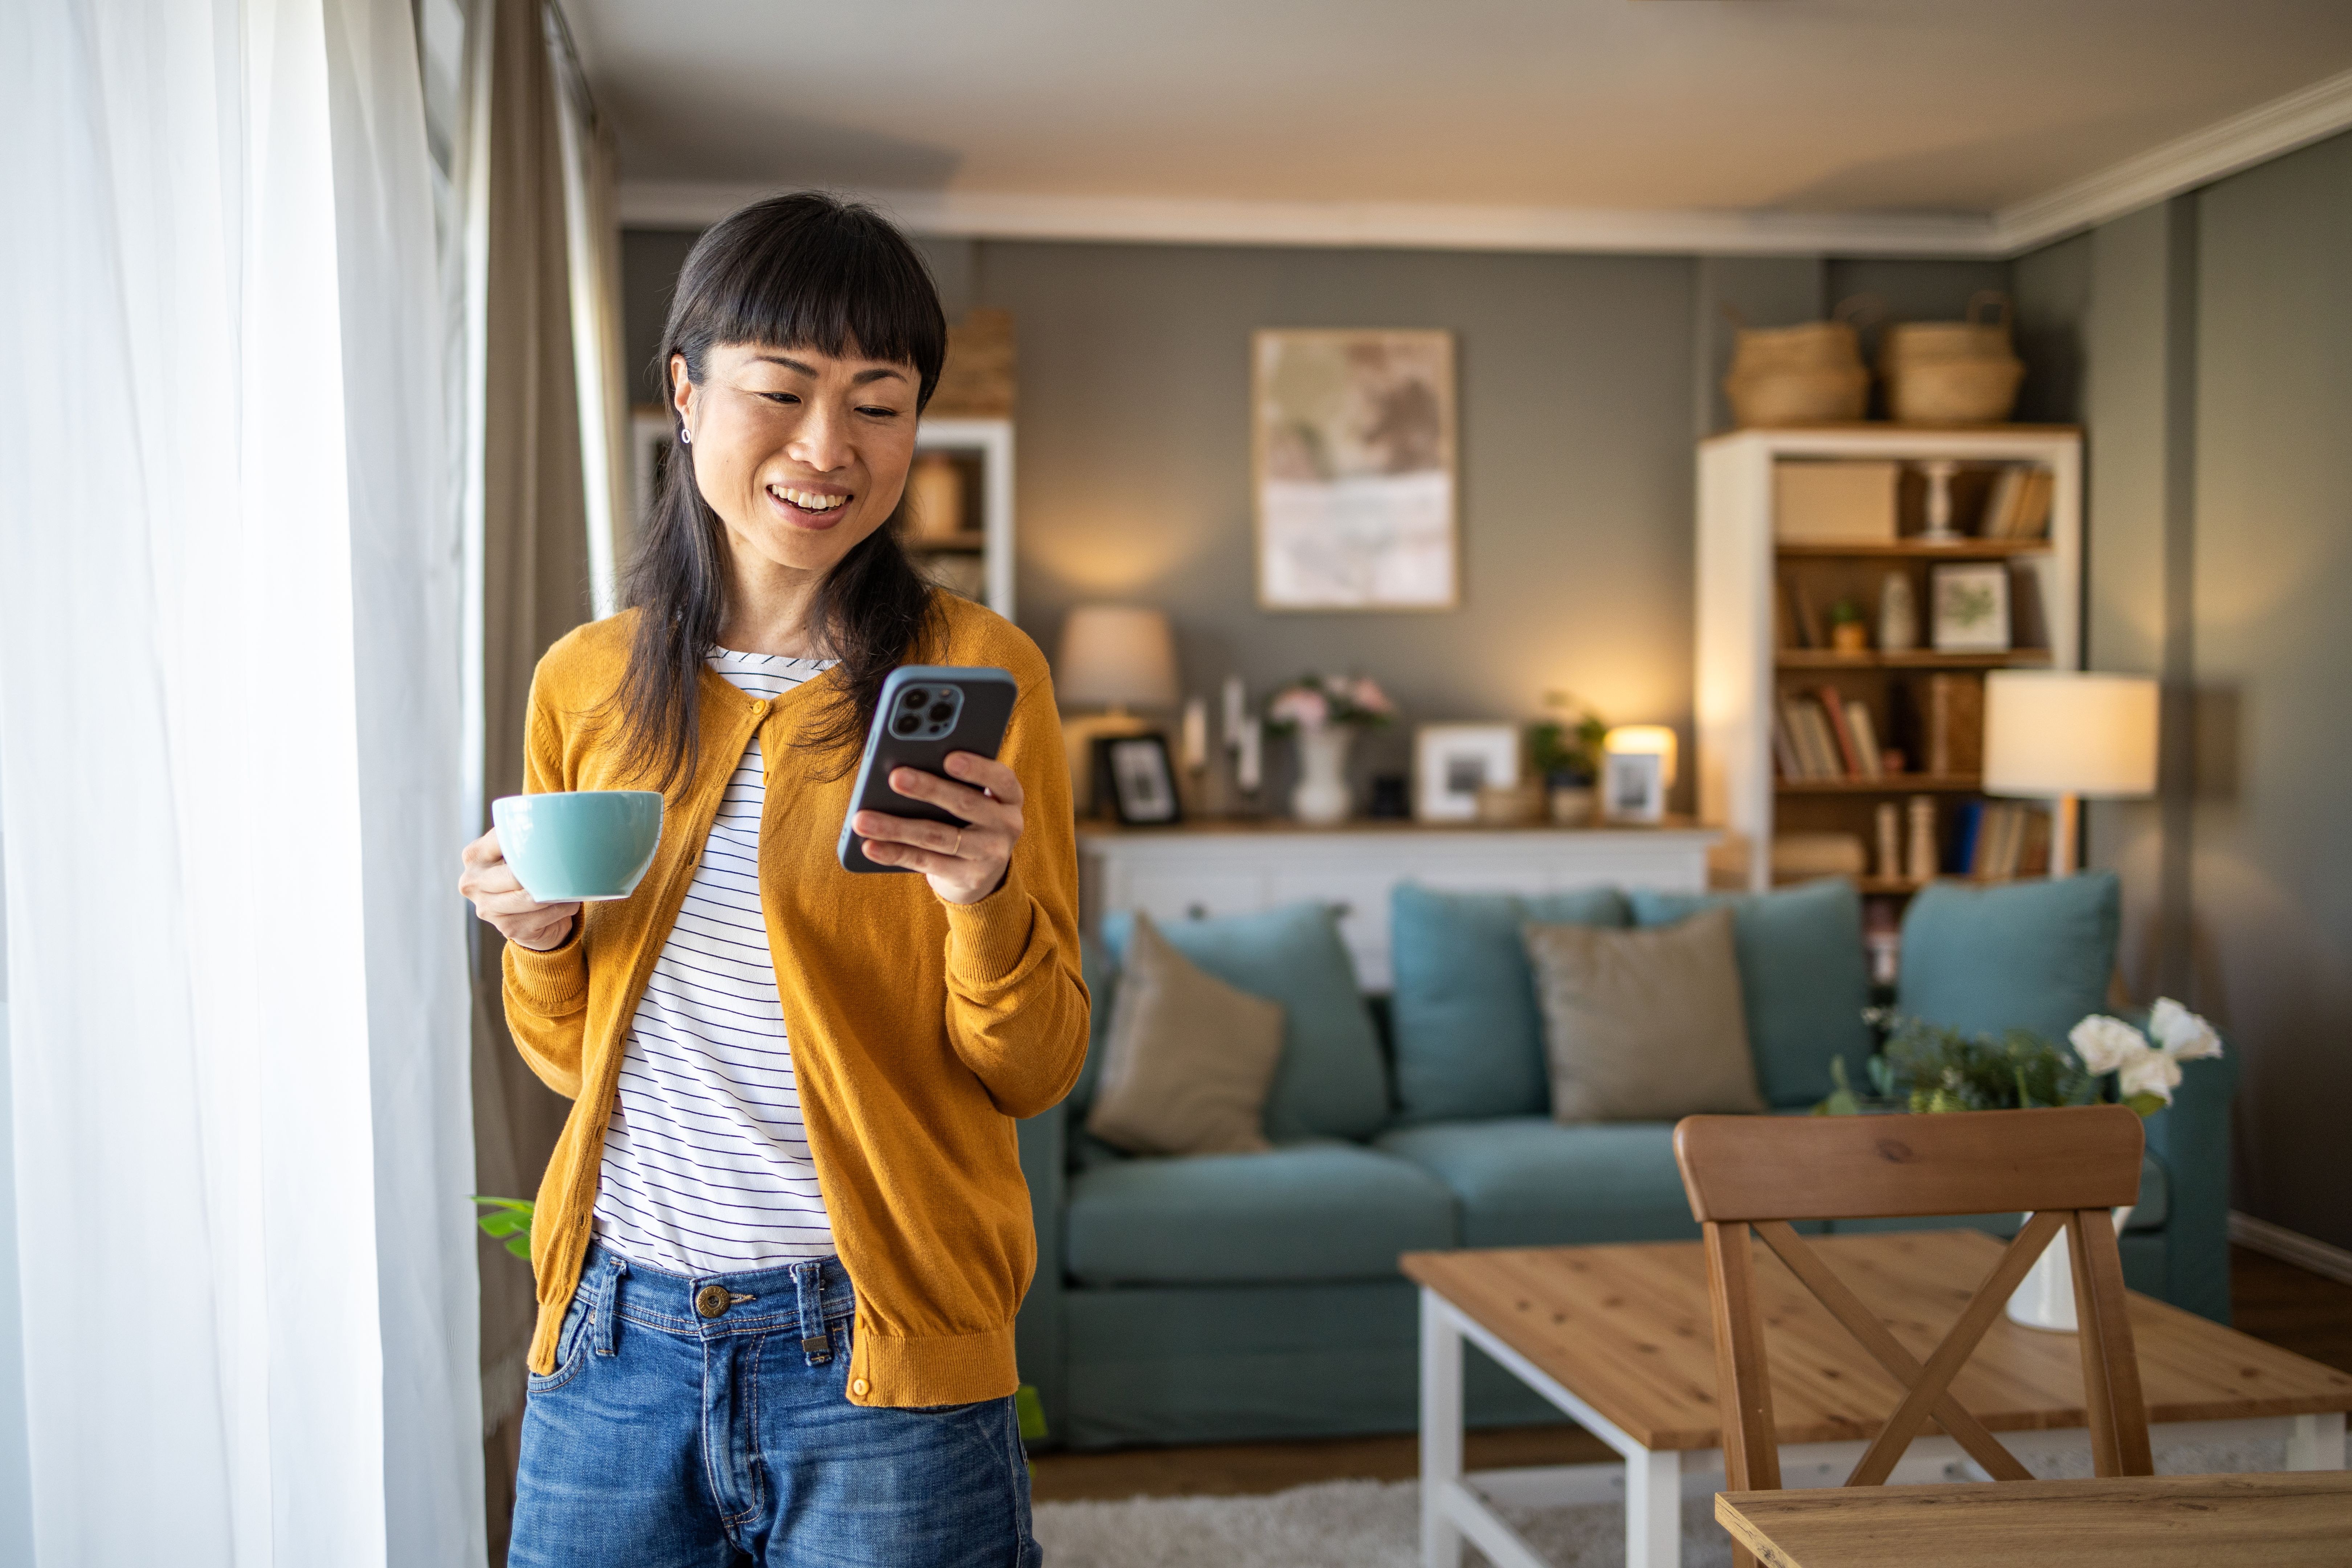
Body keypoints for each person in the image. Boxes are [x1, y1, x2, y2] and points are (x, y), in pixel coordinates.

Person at [457, 192, 1086, 1567]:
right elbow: (567, 1057)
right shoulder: (590, 680)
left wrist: (984, 904)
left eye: (878, 402)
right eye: (783, 390)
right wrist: (540, 934)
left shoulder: (980, 674)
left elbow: (1035, 1065)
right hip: (616, 1343)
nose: (828, 448)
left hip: (881, 1346)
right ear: (685, 392)